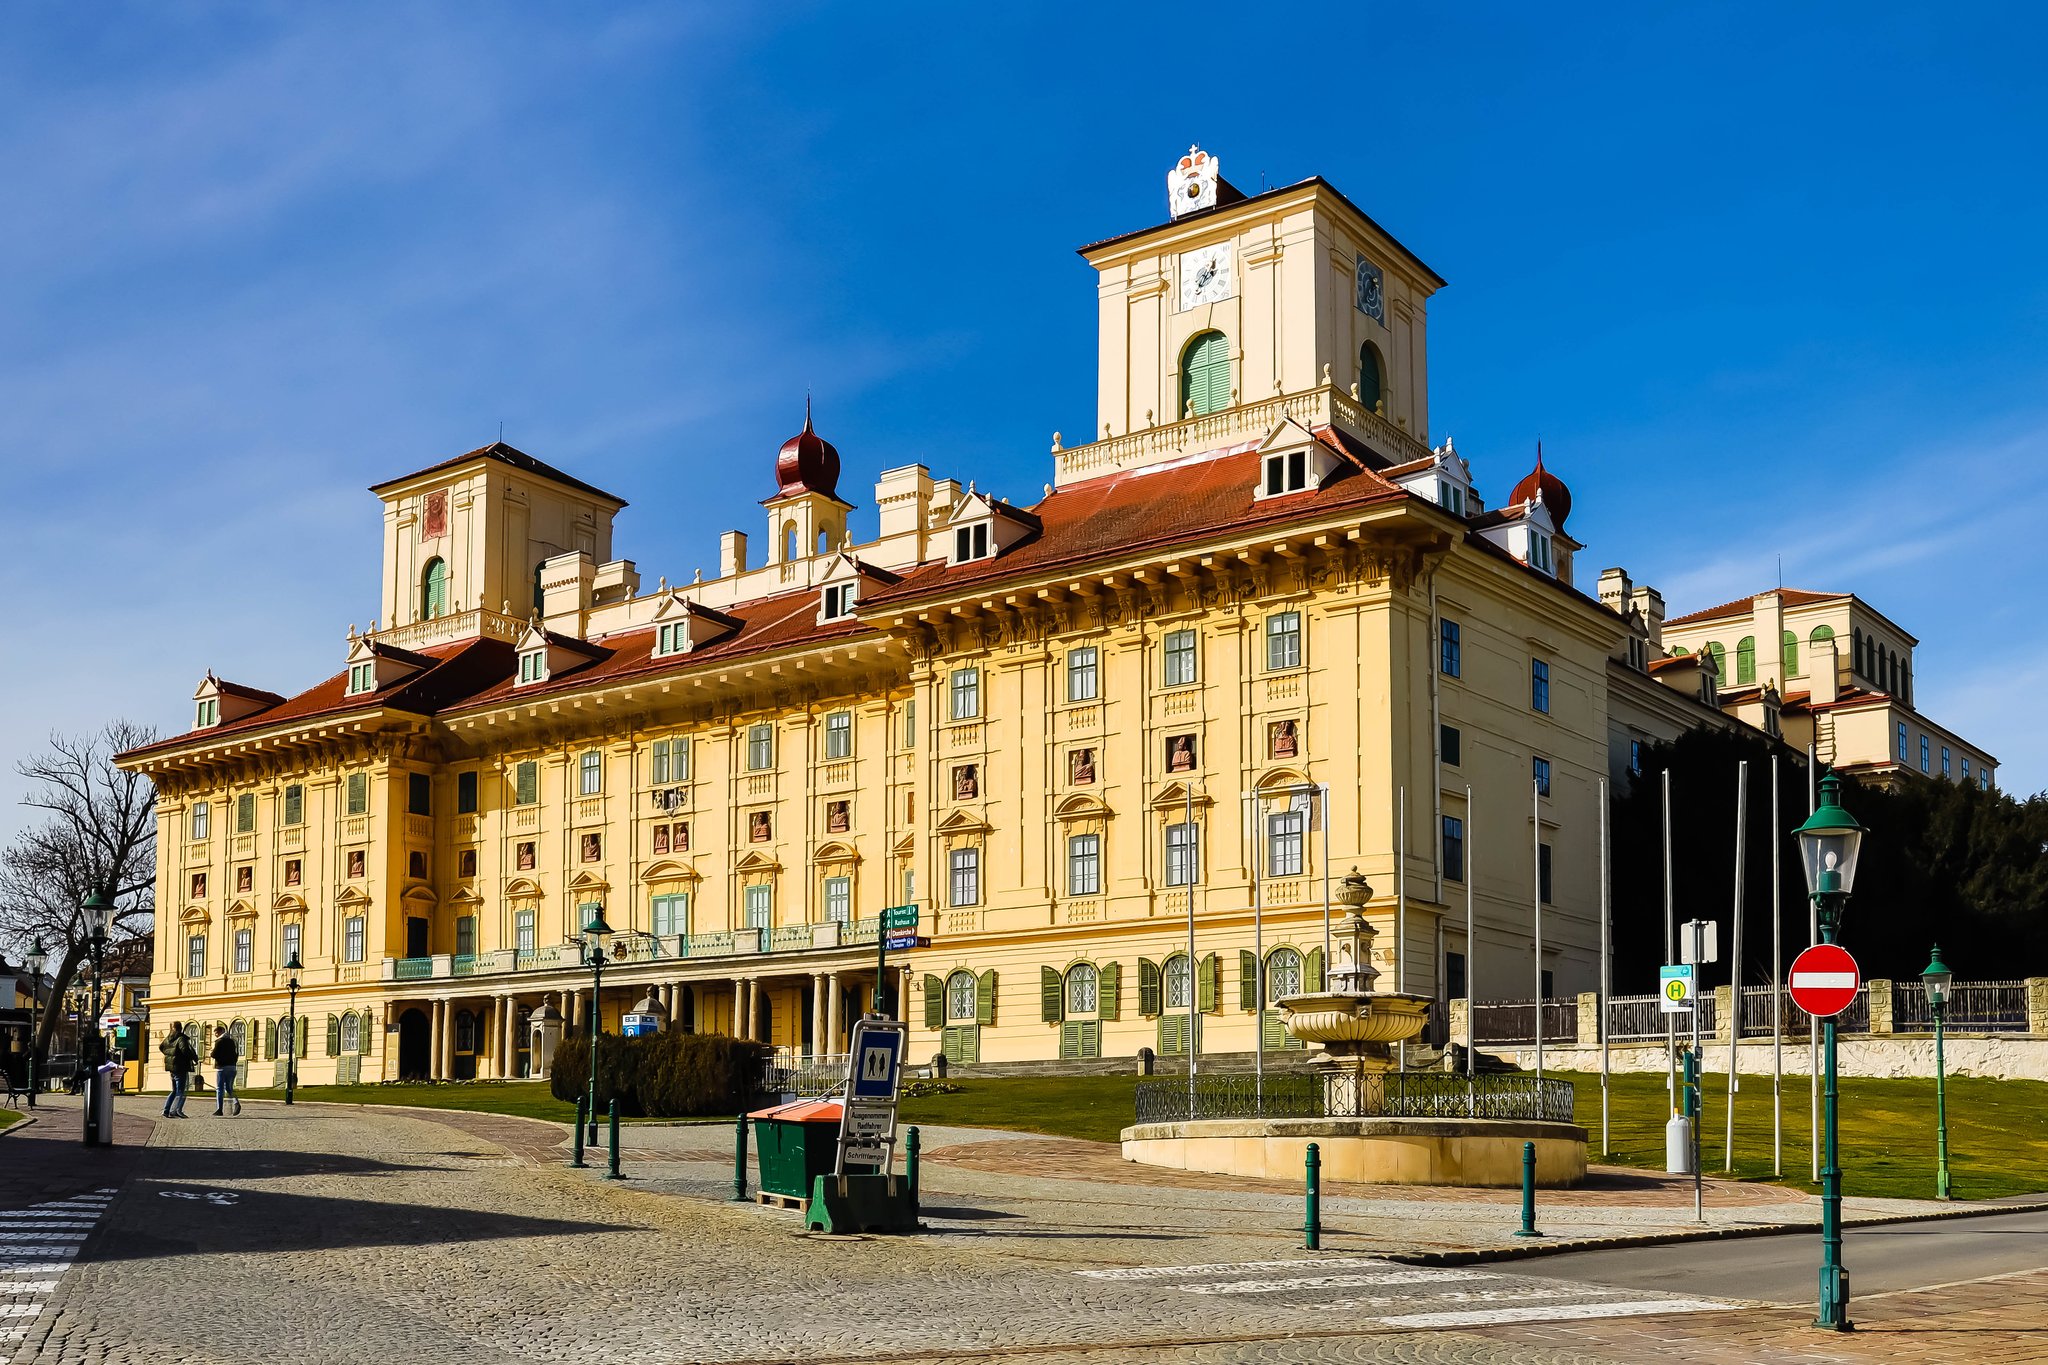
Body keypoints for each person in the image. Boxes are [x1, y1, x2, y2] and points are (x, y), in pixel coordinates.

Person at [159, 1023, 197, 1118]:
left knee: (174, 1090)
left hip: (171, 1067)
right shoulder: (181, 1038)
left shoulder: (168, 1038)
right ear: (181, 1028)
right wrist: (192, 1057)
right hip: (180, 1066)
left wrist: (170, 1055)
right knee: (181, 1090)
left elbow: (161, 1047)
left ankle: (166, 1110)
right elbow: (185, 1050)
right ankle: (177, 1110)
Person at [209, 1024, 241, 1117]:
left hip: (222, 1067)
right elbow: (236, 1054)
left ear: (219, 1032)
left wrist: (211, 1052)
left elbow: (214, 1054)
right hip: (232, 1067)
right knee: (229, 1088)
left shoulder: (219, 1042)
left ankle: (219, 1109)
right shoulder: (232, 1041)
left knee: (219, 1089)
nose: (216, 1035)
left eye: (216, 1034)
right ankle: (236, 1102)